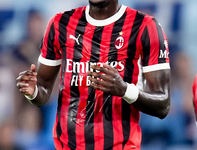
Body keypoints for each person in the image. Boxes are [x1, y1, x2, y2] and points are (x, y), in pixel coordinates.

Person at [16, 0, 171, 149]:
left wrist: (124, 90)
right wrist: (33, 91)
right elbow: (43, 89)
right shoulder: (60, 24)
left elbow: (163, 105)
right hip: (67, 146)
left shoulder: (145, 27)